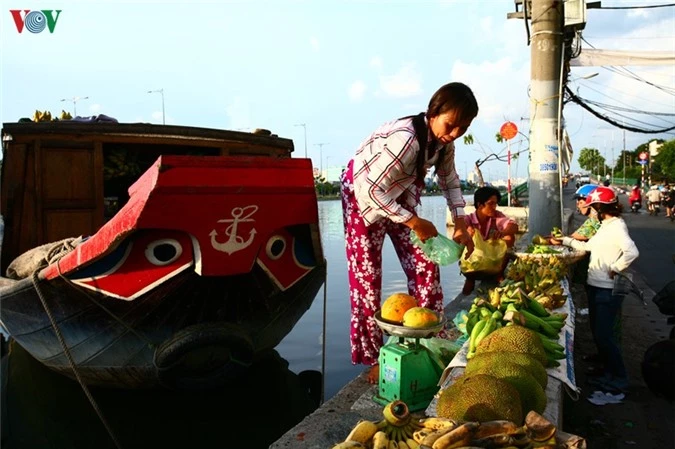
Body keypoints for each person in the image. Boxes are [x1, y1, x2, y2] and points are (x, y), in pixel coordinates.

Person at [339, 82, 478, 383]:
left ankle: (427, 341)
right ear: (433, 113)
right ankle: (374, 359)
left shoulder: (443, 145)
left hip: (399, 193)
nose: (453, 133)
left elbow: (451, 182)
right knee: (367, 279)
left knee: (426, 264)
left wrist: (461, 222)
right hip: (363, 195)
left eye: (462, 128)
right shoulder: (407, 140)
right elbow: (372, 191)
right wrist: (414, 222)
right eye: (450, 125)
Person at [556, 186, 639, 393]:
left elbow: (632, 251)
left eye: (593, 207)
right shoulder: (605, 225)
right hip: (595, 287)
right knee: (598, 332)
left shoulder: (617, 227)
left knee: (605, 335)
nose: (591, 211)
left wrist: (616, 267)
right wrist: (564, 241)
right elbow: (588, 246)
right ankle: (607, 372)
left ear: (600, 207)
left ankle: (619, 378)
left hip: (607, 289)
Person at [460, 186, 518, 295]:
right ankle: (465, 295)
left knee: (510, 237)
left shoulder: (497, 217)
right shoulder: (468, 220)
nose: (494, 207)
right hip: (473, 263)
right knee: (469, 280)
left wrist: (503, 232)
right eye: (491, 204)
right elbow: (458, 235)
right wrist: (467, 233)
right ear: (479, 204)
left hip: (492, 261)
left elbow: (514, 226)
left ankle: (498, 275)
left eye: (495, 204)